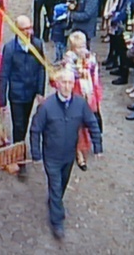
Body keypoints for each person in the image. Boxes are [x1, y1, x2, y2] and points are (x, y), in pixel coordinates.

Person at [29, 68, 102, 240]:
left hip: (69, 155)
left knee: (61, 184)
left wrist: (97, 146)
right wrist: (36, 152)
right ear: (57, 84)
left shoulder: (80, 104)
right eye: (64, 82)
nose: (67, 86)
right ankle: (57, 221)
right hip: (51, 155)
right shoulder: (46, 106)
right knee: (55, 186)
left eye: (70, 82)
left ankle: (54, 202)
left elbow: (92, 123)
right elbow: (35, 130)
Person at [0, 15, 46, 180]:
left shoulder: (37, 44)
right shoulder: (10, 48)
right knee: (18, 126)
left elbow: (42, 68)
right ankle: (20, 160)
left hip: (31, 92)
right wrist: (2, 100)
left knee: (24, 124)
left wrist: (40, 91)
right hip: (17, 94)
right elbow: (4, 74)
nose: (29, 32)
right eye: (25, 29)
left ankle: (18, 149)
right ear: (17, 30)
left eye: (30, 28)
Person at [60, 32, 102, 171]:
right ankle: (79, 153)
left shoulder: (91, 58)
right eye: (78, 47)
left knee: (89, 121)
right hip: (75, 92)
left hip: (88, 93)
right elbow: (66, 77)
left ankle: (88, 144)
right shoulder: (68, 61)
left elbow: (95, 76)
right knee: (76, 123)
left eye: (83, 46)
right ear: (72, 48)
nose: (82, 49)